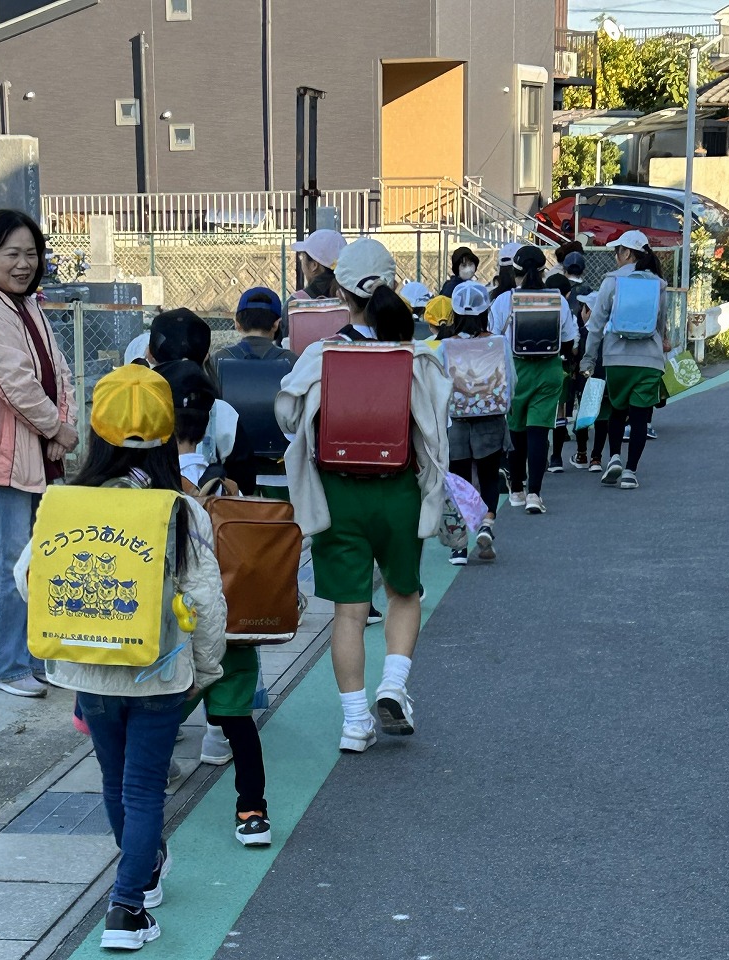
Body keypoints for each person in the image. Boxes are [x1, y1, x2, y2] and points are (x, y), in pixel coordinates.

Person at [42, 364, 226, 950]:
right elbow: (206, 598)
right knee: (146, 789)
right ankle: (127, 907)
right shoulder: (180, 508)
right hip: (159, 670)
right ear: (170, 431)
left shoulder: (70, 502)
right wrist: (208, 665)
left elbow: (29, 577)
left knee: (115, 781)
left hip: (91, 669)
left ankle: (142, 878)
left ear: (96, 430)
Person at [276, 238, 450, 753]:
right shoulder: (417, 355)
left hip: (338, 495)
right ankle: (393, 686)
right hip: (397, 490)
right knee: (404, 592)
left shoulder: (321, 354)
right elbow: (437, 426)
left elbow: (287, 415)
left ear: (340, 291)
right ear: (393, 287)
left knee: (349, 611)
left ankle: (355, 722)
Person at [0, 209, 78, 698]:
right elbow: (15, 383)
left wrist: (59, 428)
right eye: (13, 254)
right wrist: (56, 427)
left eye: (32, 254)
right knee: (9, 561)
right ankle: (4, 665)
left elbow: (58, 372)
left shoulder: (26, 304)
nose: (25, 264)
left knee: (40, 558)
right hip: (2, 457)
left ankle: (34, 656)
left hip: (39, 451)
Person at [161, 360, 272, 847]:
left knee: (159, 720)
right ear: (211, 420)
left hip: (174, 633)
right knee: (238, 724)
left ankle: (147, 796)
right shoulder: (231, 488)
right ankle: (252, 812)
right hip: (233, 628)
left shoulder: (152, 489)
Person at [488, 244, 578, 515]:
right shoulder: (557, 299)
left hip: (515, 371)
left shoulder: (504, 300)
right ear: (543, 271)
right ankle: (535, 494)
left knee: (516, 431)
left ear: (513, 271)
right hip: (549, 370)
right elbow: (569, 340)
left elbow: (492, 338)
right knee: (539, 432)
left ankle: (517, 488)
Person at [580, 230, 670, 490]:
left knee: (617, 411)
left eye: (617, 251)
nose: (615, 257)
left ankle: (615, 457)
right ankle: (630, 471)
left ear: (627, 252)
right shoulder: (658, 283)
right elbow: (661, 323)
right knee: (640, 417)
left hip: (616, 358)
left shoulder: (611, 281)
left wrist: (588, 359)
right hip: (648, 359)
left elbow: (595, 325)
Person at [437, 282, 513, 563]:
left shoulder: (445, 346)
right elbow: (510, 383)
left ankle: (459, 545)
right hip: (490, 420)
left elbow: (438, 386)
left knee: (460, 482)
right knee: (490, 476)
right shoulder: (498, 343)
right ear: (486, 311)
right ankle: (487, 525)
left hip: (455, 422)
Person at [148, 308, 257, 495]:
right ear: (206, 355)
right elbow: (245, 482)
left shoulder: (138, 405)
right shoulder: (223, 412)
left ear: (150, 354)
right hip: (214, 511)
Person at [209, 287, 298, 495]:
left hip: (230, 478)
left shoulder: (217, 360)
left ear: (237, 323)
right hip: (281, 475)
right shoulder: (292, 362)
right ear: (277, 324)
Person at [548, 250, 591, 473]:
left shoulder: (544, 301)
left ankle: (553, 458)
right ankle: (585, 453)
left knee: (557, 409)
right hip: (581, 360)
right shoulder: (588, 293)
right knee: (583, 403)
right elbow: (577, 336)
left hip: (549, 362)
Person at [572, 291, 612, 472]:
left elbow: (576, 355)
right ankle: (596, 458)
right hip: (605, 379)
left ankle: (581, 453)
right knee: (602, 418)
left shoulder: (583, 332)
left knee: (584, 415)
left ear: (588, 312)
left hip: (585, 380)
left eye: (583, 307)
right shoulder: (610, 332)